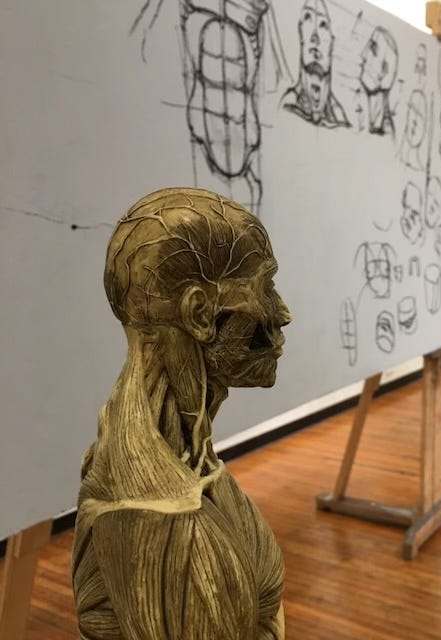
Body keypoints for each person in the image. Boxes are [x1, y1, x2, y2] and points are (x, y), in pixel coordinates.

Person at [72, 188, 291, 640]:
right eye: (266, 287)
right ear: (199, 314)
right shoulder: (157, 513)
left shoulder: (190, 462)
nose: (282, 313)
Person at [280, 0, 350, 128]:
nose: (315, 37)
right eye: (307, 17)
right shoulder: (286, 107)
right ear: (300, 34)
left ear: (332, 42)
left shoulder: (339, 119)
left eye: (323, 25)